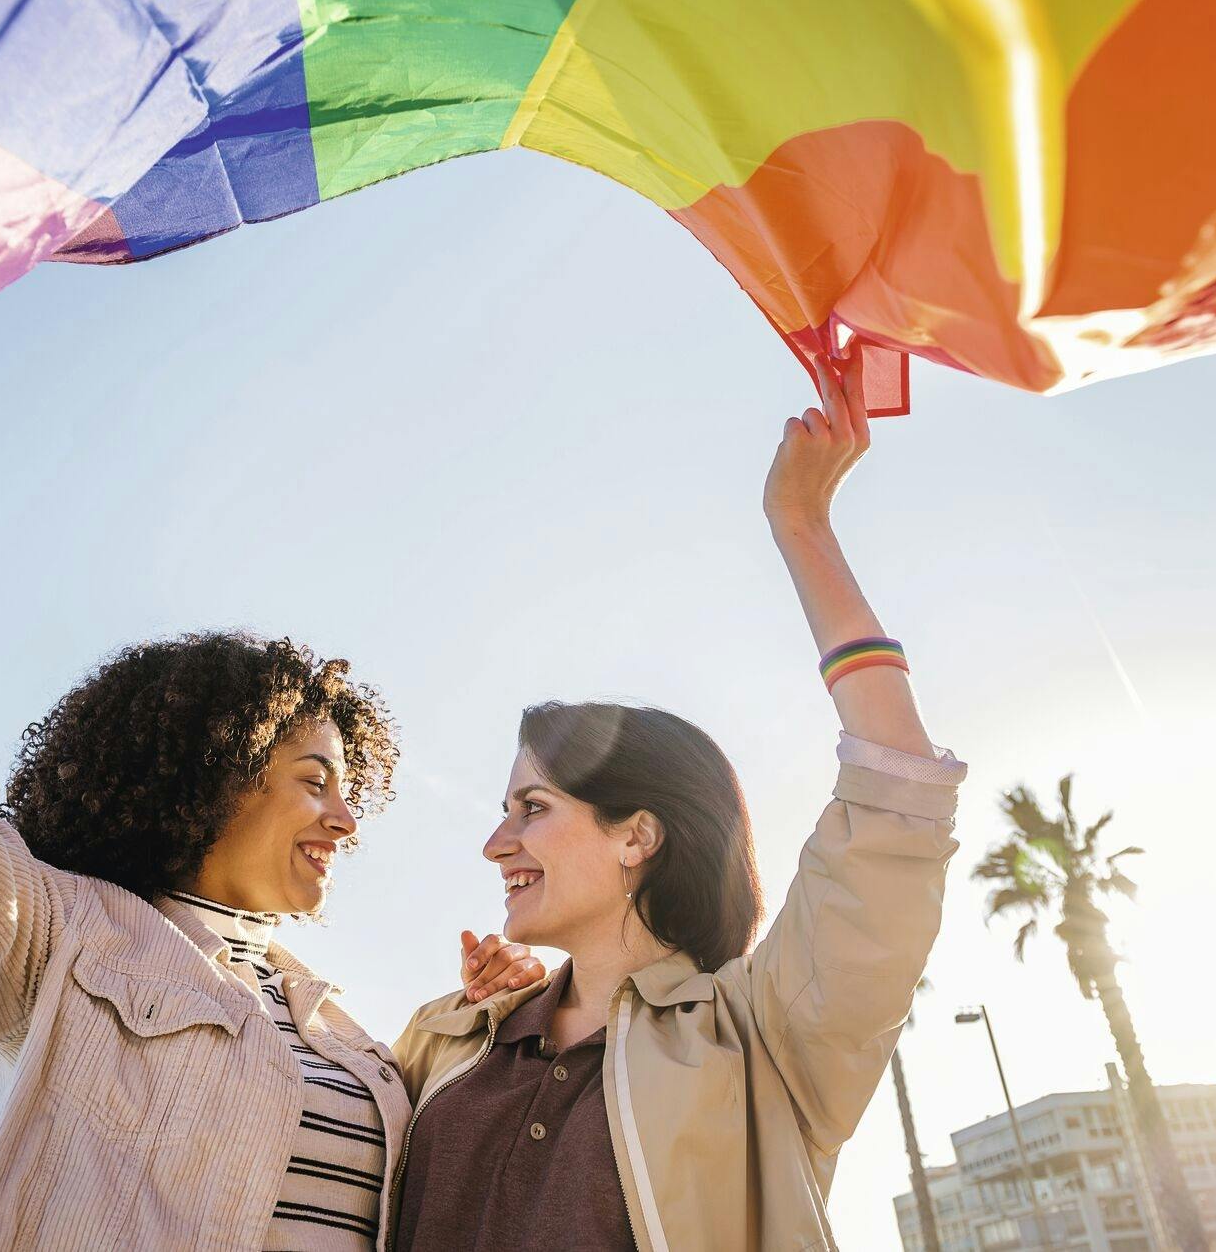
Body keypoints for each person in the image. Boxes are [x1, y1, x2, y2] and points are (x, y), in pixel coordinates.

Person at [0, 314, 540, 1251]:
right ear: (211, 775)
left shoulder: (348, 1033)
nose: (345, 819)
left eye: (349, 791)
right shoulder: (53, 940)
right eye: (313, 781)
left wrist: (470, 1025)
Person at [390, 344, 966, 1251]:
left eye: (532, 806)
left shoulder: (764, 1034)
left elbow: (896, 789)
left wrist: (801, 525)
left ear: (638, 836)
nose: (496, 843)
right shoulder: (449, 1042)